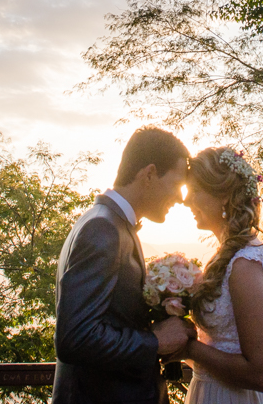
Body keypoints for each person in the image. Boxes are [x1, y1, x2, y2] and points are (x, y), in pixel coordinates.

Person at [53, 126, 197, 404]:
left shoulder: (107, 222)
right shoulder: (103, 229)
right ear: (149, 174)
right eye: (178, 184)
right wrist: (155, 340)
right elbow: (75, 338)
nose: (181, 197)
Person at [181, 147, 263, 404]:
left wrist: (188, 347)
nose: (185, 201)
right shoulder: (225, 257)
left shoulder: (244, 264)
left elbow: (262, 374)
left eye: (194, 192)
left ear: (223, 197)